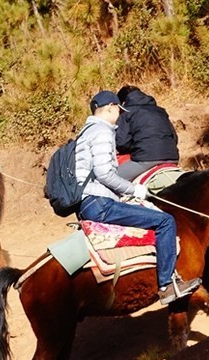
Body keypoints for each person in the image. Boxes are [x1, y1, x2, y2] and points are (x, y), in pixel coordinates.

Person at [75, 90, 201, 305]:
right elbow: (105, 174)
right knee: (165, 221)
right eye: (117, 110)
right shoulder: (105, 131)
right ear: (111, 108)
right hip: (167, 159)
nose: (119, 114)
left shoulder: (86, 133)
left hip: (91, 197)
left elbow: (121, 144)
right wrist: (135, 190)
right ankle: (167, 285)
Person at [115, 85, 180, 181]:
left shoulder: (127, 112)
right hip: (173, 157)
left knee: (110, 179)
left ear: (122, 102)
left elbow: (122, 143)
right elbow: (175, 138)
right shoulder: (160, 111)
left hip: (146, 159)